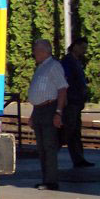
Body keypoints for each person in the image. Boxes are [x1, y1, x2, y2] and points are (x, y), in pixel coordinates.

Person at [27, 39, 68, 190]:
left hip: (50, 109)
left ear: (44, 51)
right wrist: (33, 113)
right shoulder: (41, 67)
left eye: (36, 51)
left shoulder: (54, 66)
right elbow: (38, 92)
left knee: (49, 146)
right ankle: (45, 178)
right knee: (42, 147)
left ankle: (51, 181)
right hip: (39, 110)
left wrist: (58, 112)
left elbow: (62, 89)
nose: (34, 54)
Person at [61, 37, 94, 168]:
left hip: (76, 101)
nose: (84, 51)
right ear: (75, 46)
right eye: (82, 48)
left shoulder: (76, 61)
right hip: (71, 102)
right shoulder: (68, 61)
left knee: (75, 130)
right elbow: (67, 81)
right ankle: (76, 157)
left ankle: (79, 158)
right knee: (69, 130)